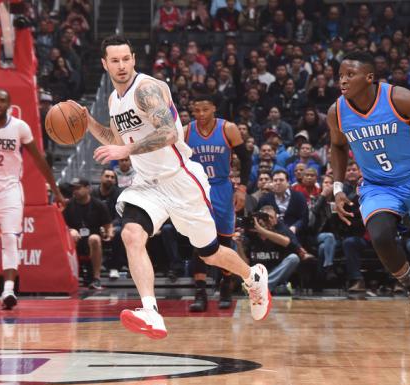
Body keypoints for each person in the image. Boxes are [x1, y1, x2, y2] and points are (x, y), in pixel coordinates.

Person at [76, 35, 271, 339]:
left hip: (180, 180)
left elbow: (168, 132)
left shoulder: (147, 89)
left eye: (126, 59)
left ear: (134, 59)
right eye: (115, 61)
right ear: (105, 64)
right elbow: (118, 141)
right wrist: (88, 121)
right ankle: (151, 311)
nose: (122, 65)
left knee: (210, 253)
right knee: (131, 234)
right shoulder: (115, 101)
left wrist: (126, 152)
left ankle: (252, 276)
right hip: (147, 185)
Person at [328, 51, 410, 337]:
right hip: (377, 185)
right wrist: (338, 189)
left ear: (369, 77)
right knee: (380, 235)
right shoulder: (337, 111)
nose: (342, 80)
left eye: (349, 74)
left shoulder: (397, 98)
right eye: (340, 75)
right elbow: (338, 147)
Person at [0, 89, 64, 310]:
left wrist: (55, 190)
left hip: (10, 189)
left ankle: (8, 289)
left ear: (9, 104)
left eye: (2, 100)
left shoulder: (20, 127)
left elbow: (40, 159)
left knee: (9, 237)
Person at [185, 92, 251, 311]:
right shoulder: (186, 132)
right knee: (198, 242)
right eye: (196, 110)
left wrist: (241, 188)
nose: (201, 114)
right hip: (197, 191)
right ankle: (200, 292)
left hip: (222, 188)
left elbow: (246, 159)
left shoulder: (228, 129)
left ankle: (225, 285)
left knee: (224, 242)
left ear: (214, 108)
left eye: (205, 109)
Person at [64, 178, 113, 289]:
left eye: (78, 188)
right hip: (75, 240)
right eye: (73, 188)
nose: (75, 191)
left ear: (87, 189)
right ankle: (72, 277)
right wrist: (70, 230)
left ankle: (96, 278)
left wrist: (109, 234)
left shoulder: (99, 205)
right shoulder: (68, 205)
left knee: (94, 238)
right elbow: (62, 226)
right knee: (71, 235)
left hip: (94, 241)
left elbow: (108, 225)